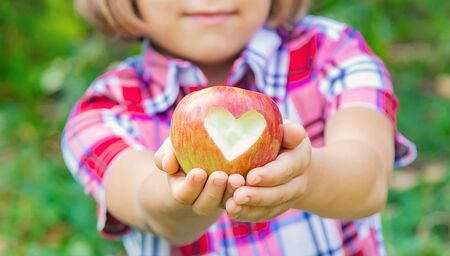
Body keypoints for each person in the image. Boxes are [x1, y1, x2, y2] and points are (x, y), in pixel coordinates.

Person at [61, 0, 417, 255]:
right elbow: (147, 206)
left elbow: (369, 179)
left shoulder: (332, 51)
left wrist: (304, 178)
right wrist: (183, 191)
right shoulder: (105, 108)